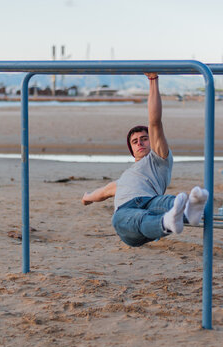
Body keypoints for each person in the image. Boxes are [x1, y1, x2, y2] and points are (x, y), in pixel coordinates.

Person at [81, 73, 209, 247]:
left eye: (144, 138)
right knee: (129, 218)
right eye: (135, 141)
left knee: (167, 202)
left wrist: (153, 80)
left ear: (152, 141)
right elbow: (102, 193)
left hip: (150, 202)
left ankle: (189, 211)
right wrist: (87, 197)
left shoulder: (158, 158)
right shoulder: (123, 180)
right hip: (126, 214)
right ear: (132, 150)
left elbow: (154, 121)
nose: (140, 143)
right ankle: (169, 221)